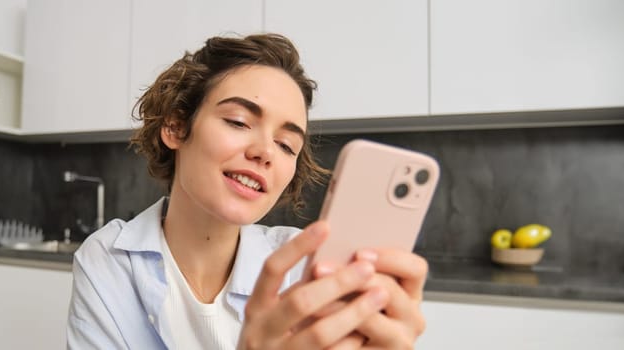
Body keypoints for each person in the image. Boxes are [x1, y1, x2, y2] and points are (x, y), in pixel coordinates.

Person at [67, 33, 428, 349]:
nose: (265, 152)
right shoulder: (107, 259)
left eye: (287, 145)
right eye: (239, 122)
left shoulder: (308, 271)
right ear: (176, 126)